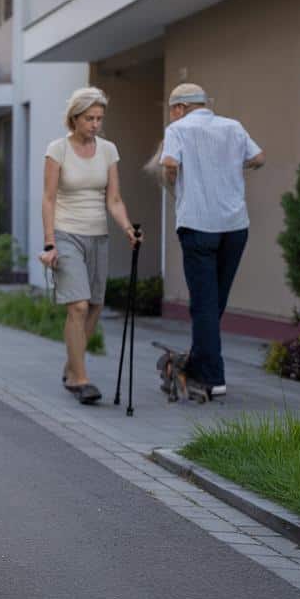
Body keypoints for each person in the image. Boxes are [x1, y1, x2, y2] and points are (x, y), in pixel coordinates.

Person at [159, 83, 265, 398]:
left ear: (179, 108)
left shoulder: (177, 129)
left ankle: (211, 377)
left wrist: (173, 185)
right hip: (235, 226)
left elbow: (169, 164)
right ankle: (198, 359)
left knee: (204, 304)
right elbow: (259, 158)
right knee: (214, 302)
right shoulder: (232, 127)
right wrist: (231, 169)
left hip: (198, 223)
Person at [38, 87, 140, 405]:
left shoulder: (108, 150)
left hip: (98, 236)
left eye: (99, 118)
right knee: (78, 306)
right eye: (89, 118)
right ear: (75, 118)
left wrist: (126, 227)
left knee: (94, 306)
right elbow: (49, 198)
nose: (95, 124)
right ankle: (81, 380)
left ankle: (72, 366)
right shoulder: (58, 150)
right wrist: (50, 242)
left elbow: (114, 198)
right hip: (67, 234)